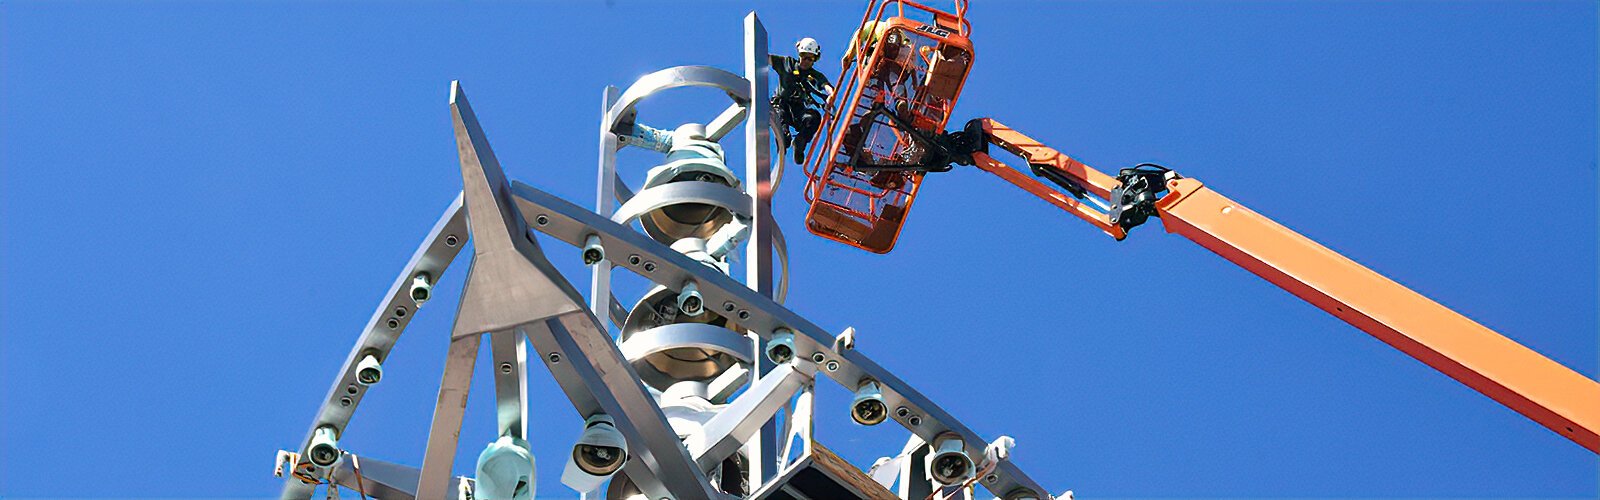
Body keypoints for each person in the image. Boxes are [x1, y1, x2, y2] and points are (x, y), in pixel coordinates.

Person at [770, 37, 833, 165]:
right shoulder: (787, 63)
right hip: (780, 104)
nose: (806, 61)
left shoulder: (813, 75)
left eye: (810, 58)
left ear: (815, 59)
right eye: (804, 57)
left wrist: (831, 95)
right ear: (799, 55)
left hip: (797, 109)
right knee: (782, 127)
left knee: (813, 117)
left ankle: (800, 143)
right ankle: (783, 138)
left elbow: (826, 86)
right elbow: (765, 58)